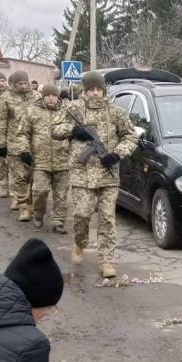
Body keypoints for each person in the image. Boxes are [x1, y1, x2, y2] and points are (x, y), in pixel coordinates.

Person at [51, 71, 139, 278]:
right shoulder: (73, 109)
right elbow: (54, 129)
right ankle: (80, 243)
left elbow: (131, 137)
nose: (95, 93)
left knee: (107, 219)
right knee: (82, 214)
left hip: (108, 175)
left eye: (98, 89)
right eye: (91, 89)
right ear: (85, 90)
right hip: (82, 174)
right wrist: (73, 130)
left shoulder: (116, 112)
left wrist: (117, 154)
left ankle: (107, 260)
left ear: (104, 90)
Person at [18, 83, 70, 233]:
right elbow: (22, 133)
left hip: (62, 159)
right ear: (43, 96)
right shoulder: (32, 111)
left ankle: (59, 221)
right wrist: (24, 150)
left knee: (61, 194)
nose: (51, 99)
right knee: (39, 190)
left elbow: (74, 132)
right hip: (41, 159)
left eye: (54, 95)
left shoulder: (67, 111)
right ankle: (39, 214)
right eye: (48, 96)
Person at [0, 71, 41, 221]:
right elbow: (1, 122)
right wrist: (1, 144)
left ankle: (32, 203)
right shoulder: (5, 99)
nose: (23, 86)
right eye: (20, 84)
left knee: (34, 177)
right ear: (13, 84)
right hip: (14, 143)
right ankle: (23, 207)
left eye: (25, 83)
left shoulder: (36, 97)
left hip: (35, 143)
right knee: (19, 177)